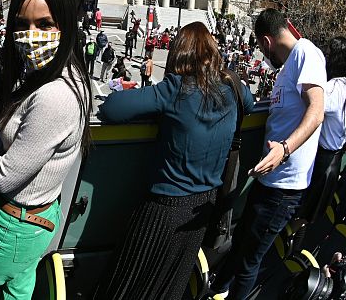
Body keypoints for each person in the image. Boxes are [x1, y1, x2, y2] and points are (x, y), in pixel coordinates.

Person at [94, 22, 254, 300]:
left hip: (163, 210)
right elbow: (249, 103)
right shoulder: (233, 90)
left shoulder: (176, 89)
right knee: (169, 289)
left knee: (127, 287)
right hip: (203, 211)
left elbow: (111, 109)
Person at [0, 0, 91, 300]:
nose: (31, 36)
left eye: (45, 24)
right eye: (22, 24)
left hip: (15, 223)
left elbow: (5, 178)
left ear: (65, 24)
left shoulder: (55, 96)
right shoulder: (69, 75)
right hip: (38, 219)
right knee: (18, 289)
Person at [211, 9, 326, 300]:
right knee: (242, 244)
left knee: (251, 260)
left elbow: (317, 112)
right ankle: (218, 288)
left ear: (266, 41)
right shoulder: (287, 67)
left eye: (262, 50)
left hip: (284, 188)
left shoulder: (306, 54)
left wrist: (285, 149)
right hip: (269, 181)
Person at [297, 36, 346, 224]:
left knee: (302, 215)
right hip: (334, 163)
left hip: (320, 163)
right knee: (311, 217)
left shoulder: (334, 88)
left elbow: (309, 102)